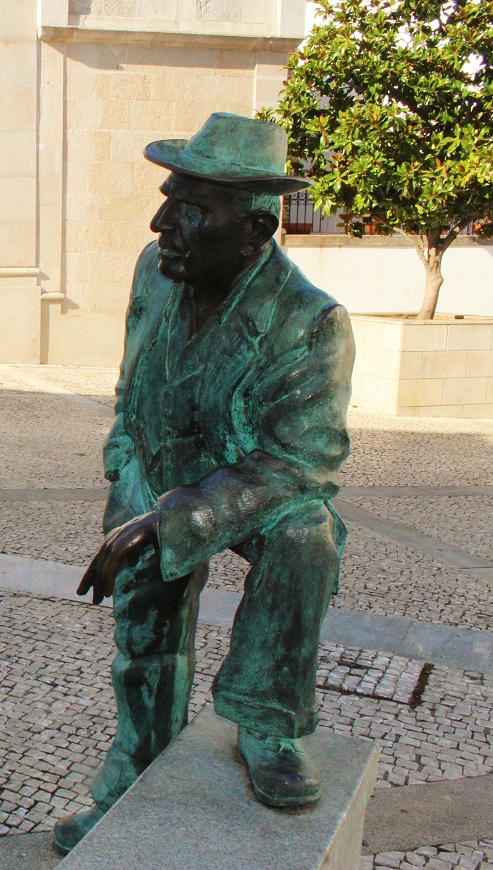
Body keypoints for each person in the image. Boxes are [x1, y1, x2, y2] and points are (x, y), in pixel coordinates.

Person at [54, 113, 355, 854]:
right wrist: (127, 477)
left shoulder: (310, 321)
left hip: (252, 488)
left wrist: (173, 518)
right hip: (157, 467)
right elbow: (131, 388)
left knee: (306, 535)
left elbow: (302, 460)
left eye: (191, 210)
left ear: (254, 230)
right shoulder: (155, 271)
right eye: (168, 200)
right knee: (144, 620)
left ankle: (267, 723)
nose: (162, 224)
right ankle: (132, 778)